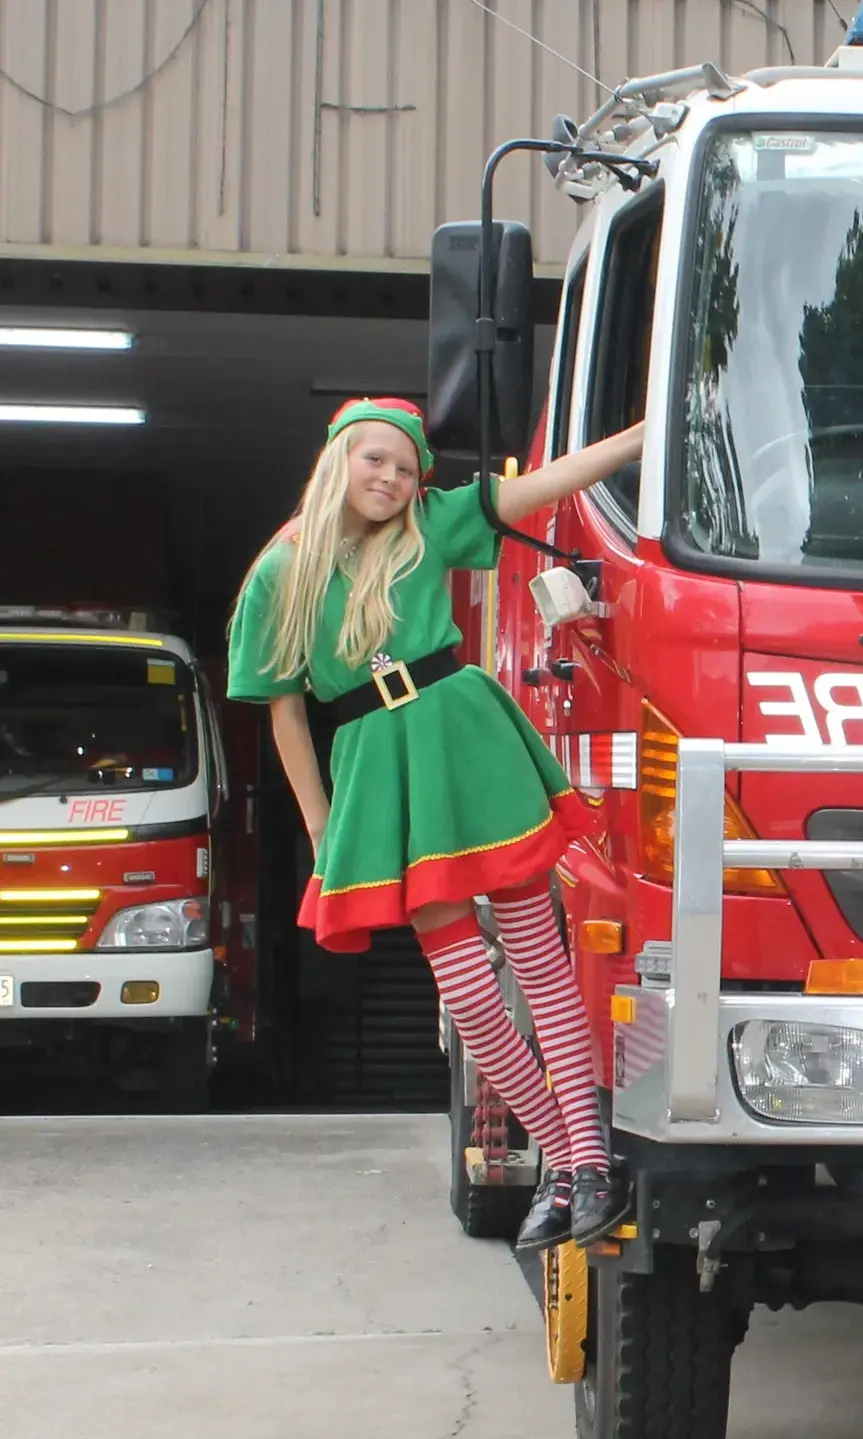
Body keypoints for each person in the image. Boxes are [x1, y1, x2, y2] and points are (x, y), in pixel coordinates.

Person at [226, 398, 645, 1251]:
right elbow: (285, 715)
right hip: (380, 770)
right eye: (375, 459)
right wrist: (319, 829)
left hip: (464, 738)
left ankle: (590, 1164)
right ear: (338, 456)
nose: (390, 478)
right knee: (469, 998)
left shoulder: (429, 527)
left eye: (407, 468)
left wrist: (648, 432)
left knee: (540, 966)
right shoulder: (281, 570)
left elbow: (549, 482)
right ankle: (565, 1158)